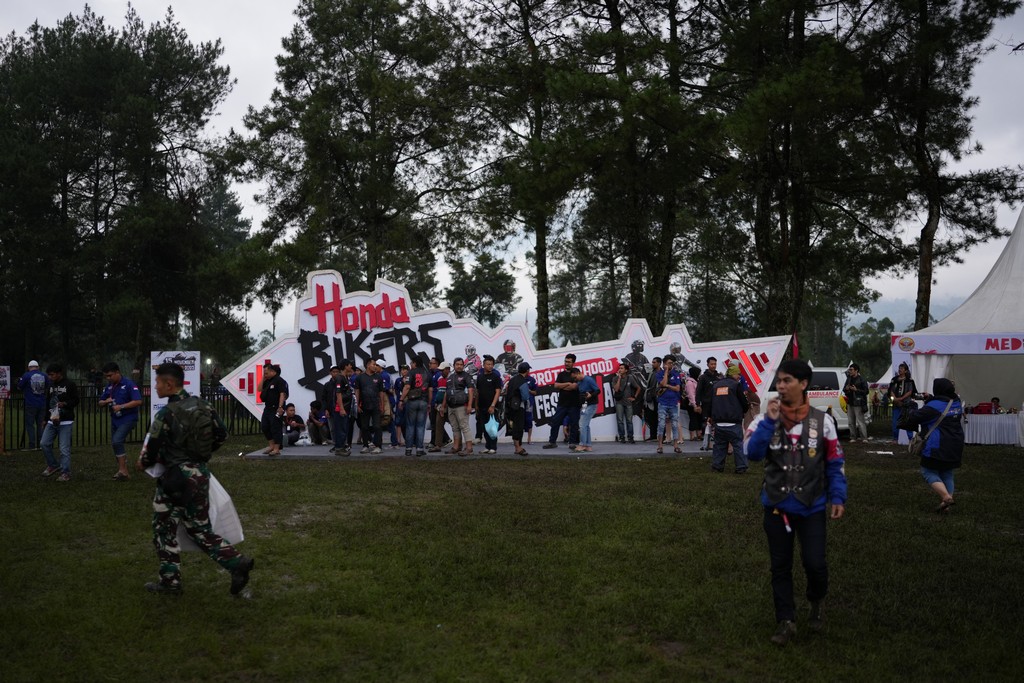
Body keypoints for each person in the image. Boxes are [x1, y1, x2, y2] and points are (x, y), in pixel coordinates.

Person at [744, 359, 847, 646]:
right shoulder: (763, 420)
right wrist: (769, 422)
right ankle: (786, 620)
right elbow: (752, 454)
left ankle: (816, 599)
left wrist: (838, 495)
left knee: (815, 564)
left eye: (786, 380)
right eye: (778, 380)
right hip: (776, 506)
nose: (780, 386)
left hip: (811, 506)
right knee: (780, 566)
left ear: (803, 384)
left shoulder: (823, 422)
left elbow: (834, 461)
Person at [137, 362, 254, 595]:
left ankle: (170, 582)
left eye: (158, 382)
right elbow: (222, 434)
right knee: (199, 529)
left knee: (163, 529)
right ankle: (236, 562)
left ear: (169, 384)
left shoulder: (166, 413)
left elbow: (151, 450)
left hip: (174, 478)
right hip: (199, 475)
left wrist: (144, 463)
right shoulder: (204, 405)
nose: (156, 386)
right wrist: (200, 455)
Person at [900, 378, 965, 512]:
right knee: (947, 472)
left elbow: (915, 417)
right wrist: (930, 398)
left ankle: (946, 497)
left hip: (937, 444)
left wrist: (911, 406)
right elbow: (942, 406)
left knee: (928, 471)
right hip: (955, 443)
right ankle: (946, 504)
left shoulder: (934, 406)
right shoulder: (956, 402)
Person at [98, 362, 143, 480]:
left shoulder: (129, 384)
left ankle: (123, 470)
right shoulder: (109, 386)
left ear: (117, 372)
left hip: (128, 418)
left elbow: (138, 401)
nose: (108, 378)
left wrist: (121, 406)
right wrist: (105, 402)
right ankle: (123, 470)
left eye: (110, 375)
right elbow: (100, 402)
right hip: (115, 419)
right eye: (106, 376)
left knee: (117, 441)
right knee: (115, 443)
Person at [40, 363, 79, 481]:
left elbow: (76, 400)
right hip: (52, 420)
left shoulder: (70, 384)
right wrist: (45, 419)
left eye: (52, 375)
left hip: (65, 421)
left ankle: (65, 472)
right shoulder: (51, 386)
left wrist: (65, 404)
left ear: (59, 373)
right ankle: (53, 464)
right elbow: (48, 403)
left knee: (64, 448)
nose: (50, 377)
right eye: (49, 375)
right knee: (44, 443)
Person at [711, 364, 751, 473]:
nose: (739, 377)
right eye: (738, 374)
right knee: (738, 446)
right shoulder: (736, 385)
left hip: (719, 421)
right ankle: (741, 467)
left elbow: (711, 402)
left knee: (719, 445)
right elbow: (744, 402)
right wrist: (745, 410)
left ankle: (717, 466)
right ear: (733, 374)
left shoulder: (716, 385)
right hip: (733, 421)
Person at [543, 354, 581, 449]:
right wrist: (568, 383)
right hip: (562, 404)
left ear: (573, 363)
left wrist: (562, 386)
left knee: (574, 423)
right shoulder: (561, 374)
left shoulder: (576, 372)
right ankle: (552, 442)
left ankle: (572, 442)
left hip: (574, 404)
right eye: (565, 361)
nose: (566, 363)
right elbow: (556, 386)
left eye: (569, 362)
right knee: (555, 422)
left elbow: (574, 386)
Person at [399, 355, 430, 456]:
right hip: (424, 401)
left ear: (415, 363)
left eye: (411, 363)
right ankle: (419, 449)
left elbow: (407, 387)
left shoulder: (411, 373)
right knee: (420, 426)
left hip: (412, 401)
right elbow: (430, 390)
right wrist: (429, 403)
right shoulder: (427, 373)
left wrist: (401, 399)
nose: (410, 364)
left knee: (410, 425)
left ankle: (408, 449)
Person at [444, 357, 475, 455]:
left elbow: (471, 391)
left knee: (464, 427)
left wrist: (470, 405)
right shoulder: (450, 377)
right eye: (457, 364)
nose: (459, 366)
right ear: (454, 365)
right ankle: (456, 447)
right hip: (451, 406)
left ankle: (469, 448)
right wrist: (444, 405)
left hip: (462, 406)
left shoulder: (467, 376)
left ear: (463, 366)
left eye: (461, 364)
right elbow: (446, 392)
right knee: (455, 428)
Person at [354, 359, 385, 454]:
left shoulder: (379, 377)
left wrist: (382, 405)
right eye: (373, 364)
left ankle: (378, 446)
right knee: (364, 427)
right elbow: (357, 391)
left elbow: (381, 392)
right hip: (364, 405)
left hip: (376, 405)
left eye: (376, 365)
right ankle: (365, 446)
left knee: (377, 426)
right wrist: (357, 405)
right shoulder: (360, 377)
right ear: (368, 365)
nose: (375, 366)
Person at [654, 355, 683, 454]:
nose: (671, 365)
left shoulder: (676, 374)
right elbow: (662, 383)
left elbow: (677, 388)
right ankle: (660, 446)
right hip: (663, 402)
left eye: (672, 363)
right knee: (661, 424)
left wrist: (667, 385)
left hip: (673, 402)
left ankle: (676, 446)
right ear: (664, 364)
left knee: (674, 424)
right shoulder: (659, 373)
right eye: (669, 363)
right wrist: (666, 372)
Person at [475, 355, 503, 454]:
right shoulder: (480, 377)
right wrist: (476, 405)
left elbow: (498, 392)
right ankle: (487, 446)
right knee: (484, 427)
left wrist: (493, 405)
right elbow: (477, 392)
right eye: (488, 364)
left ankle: (493, 447)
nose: (490, 366)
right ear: (483, 365)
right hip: (481, 406)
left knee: (492, 428)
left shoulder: (495, 377)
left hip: (491, 407)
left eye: (491, 364)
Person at [17, 360, 48, 449]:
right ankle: (41, 444)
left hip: (30, 403)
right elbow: (48, 386)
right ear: (38, 367)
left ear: (28, 367)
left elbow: (19, 387)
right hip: (42, 403)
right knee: (40, 425)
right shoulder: (44, 375)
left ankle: (32, 445)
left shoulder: (26, 375)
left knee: (30, 425)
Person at [325, 363, 353, 455]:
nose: (351, 367)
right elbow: (338, 393)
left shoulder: (345, 378)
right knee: (340, 428)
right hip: (340, 408)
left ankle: (341, 446)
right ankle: (339, 448)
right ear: (345, 366)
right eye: (349, 365)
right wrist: (341, 408)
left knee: (343, 428)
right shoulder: (339, 378)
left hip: (345, 407)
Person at [259, 364, 287, 456]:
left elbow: (282, 394)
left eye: (267, 372)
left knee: (275, 427)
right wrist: (263, 378)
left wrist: (280, 407)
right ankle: (271, 445)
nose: (265, 374)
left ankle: (276, 448)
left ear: (273, 372)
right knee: (265, 426)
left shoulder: (280, 381)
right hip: (268, 407)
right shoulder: (267, 381)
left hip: (276, 408)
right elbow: (259, 389)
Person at [505, 362, 532, 456]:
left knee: (515, 426)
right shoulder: (523, 381)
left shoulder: (513, 379)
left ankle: (517, 447)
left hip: (510, 406)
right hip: (519, 406)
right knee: (519, 427)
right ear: (527, 371)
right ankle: (518, 448)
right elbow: (525, 396)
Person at [887, 362, 917, 442]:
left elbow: (910, 391)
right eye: (899, 368)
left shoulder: (909, 380)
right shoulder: (894, 379)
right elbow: (890, 390)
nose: (900, 370)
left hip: (906, 404)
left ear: (906, 371)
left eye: (902, 368)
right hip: (896, 404)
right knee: (895, 422)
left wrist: (901, 398)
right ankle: (895, 439)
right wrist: (895, 399)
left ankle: (910, 439)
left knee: (907, 422)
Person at [612, 363, 641, 444]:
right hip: (619, 402)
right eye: (619, 368)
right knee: (620, 420)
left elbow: (638, 388)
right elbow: (616, 389)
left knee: (629, 421)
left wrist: (634, 397)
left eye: (622, 368)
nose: (620, 370)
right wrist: (619, 378)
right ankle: (622, 437)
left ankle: (630, 437)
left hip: (628, 403)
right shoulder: (615, 378)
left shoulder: (630, 378)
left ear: (626, 370)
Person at [696, 357, 722, 442]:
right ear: (707, 365)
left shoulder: (719, 377)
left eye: (715, 364)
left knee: (716, 421)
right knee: (705, 422)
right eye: (712, 364)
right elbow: (698, 391)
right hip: (706, 404)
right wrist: (698, 404)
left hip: (717, 403)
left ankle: (716, 439)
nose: (713, 366)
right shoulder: (703, 377)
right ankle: (705, 441)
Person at [575, 367, 600, 453]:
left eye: (575, 377)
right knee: (585, 425)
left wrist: (591, 395)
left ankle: (582, 445)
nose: (575, 380)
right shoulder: (579, 382)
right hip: (584, 406)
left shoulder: (589, 380)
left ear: (579, 373)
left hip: (591, 405)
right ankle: (588, 446)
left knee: (582, 424)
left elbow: (598, 390)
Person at [428, 361, 451, 452]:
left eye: (442, 370)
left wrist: (441, 404)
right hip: (441, 405)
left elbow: (444, 393)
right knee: (438, 424)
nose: (441, 372)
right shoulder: (441, 378)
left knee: (456, 425)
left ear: (448, 370)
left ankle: (458, 444)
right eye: (440, 370)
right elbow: (440, 393)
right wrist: (436, 403)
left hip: (450, 405)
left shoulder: (450, 378)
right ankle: (438, 445)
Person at [843, 364, 870, 441]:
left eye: (851, 370)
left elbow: (866, 391)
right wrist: (846, 389)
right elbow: (844, 389)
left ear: (856, 370)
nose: (850, 371)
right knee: (851, 422)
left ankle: (864, 438)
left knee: (860, 421)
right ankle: (853, 437)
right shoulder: (848, 379)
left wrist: (856, 390)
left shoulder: (862, 380)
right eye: (849, 370)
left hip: (858, 403)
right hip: (850, 402)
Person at [684, 366, 701, 441]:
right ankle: (692, 435)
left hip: (697, 402)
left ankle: (698, 434)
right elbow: (691, 395)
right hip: (691, 403)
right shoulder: (690, 383)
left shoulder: (696, 381)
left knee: (698, 418)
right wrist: (694, 405)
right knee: (693, 418)